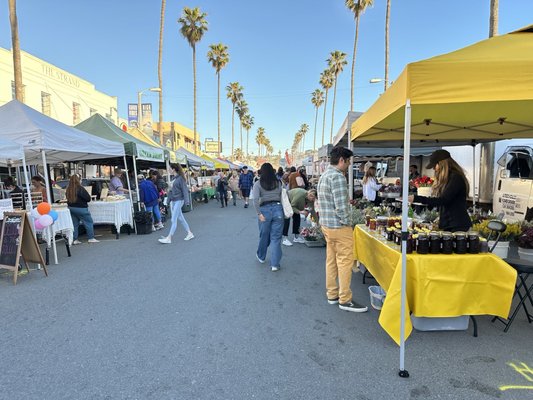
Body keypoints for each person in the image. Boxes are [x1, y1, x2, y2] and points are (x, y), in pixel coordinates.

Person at [317, 146, 368, 313]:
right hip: (339, 227)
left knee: (331, 261)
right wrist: (348, 223)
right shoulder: (338, 177)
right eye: (348, 162)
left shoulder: (324, 175)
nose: (348, 165)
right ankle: (345, 299)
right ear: (341, 160)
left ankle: (332, 294)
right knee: (345, 263)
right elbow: (341, 208)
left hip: (326, 225)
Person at [408, 150, 472, 232]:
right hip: (450, 224)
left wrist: (417, 198)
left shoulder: (455, 178)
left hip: (457, 225)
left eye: (435, 165)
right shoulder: (449, 178)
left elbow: (443, 200)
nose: (434, 169)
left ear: (442, 163)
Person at [253, 163, 284, 272]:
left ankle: (261, 256)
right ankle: (275, 264)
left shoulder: (258, 183)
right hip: (278, 210)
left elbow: (255, 200)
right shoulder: (278, 182)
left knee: (264, 235)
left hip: (264, 211)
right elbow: (282, 196)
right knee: (276, 238)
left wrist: (259, 214)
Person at [159, 163, 194, 244]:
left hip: (179, 200)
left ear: (173, 169)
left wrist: (187, 201)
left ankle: (169, 238)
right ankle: (189, 233)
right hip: (175, 200)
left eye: (169, 168)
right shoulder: (174, 178)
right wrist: (168, 201)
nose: (168, 170)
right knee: (181, 219)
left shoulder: (180, 179)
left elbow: (185, 190)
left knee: (173, 219)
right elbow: (171, 191)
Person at [66, 175, 98, 244]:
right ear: (79, 180)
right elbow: (88, 198)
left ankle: (74, 239)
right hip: (81, 208)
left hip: (71, 208)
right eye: (80, 179)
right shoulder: (80, 188)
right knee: (88, 222)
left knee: (75, 224)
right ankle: (91, 238)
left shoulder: (68, 189)